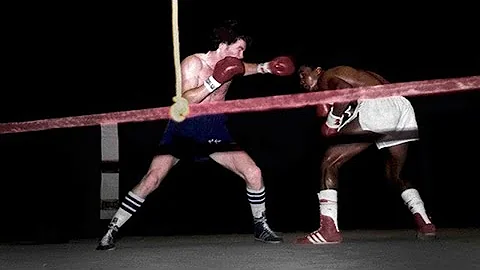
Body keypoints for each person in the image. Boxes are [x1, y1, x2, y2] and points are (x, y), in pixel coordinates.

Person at [96, 19, 295, 250]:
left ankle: (261, 226)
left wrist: (265, 67)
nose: (241, 56)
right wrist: (214, 81)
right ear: (223, 43)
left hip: (215, 129)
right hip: (184, 128)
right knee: (152, 179)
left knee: (253, 172)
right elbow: (185, 99)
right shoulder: (193, 63)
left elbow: (242, 68)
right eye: (238, 49)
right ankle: (113, 229)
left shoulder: (232, 64)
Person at [295, 65, 437, 244]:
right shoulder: (360, 75)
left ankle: (328, 231)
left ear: (317, 70)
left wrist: (332, 121)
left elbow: (344, 92)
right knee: (396, 174)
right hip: (401, 106)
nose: (302, 81)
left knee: (330, 162)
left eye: (303, 74)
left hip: (378, 106)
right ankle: (425, 222)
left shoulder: (326, 77)